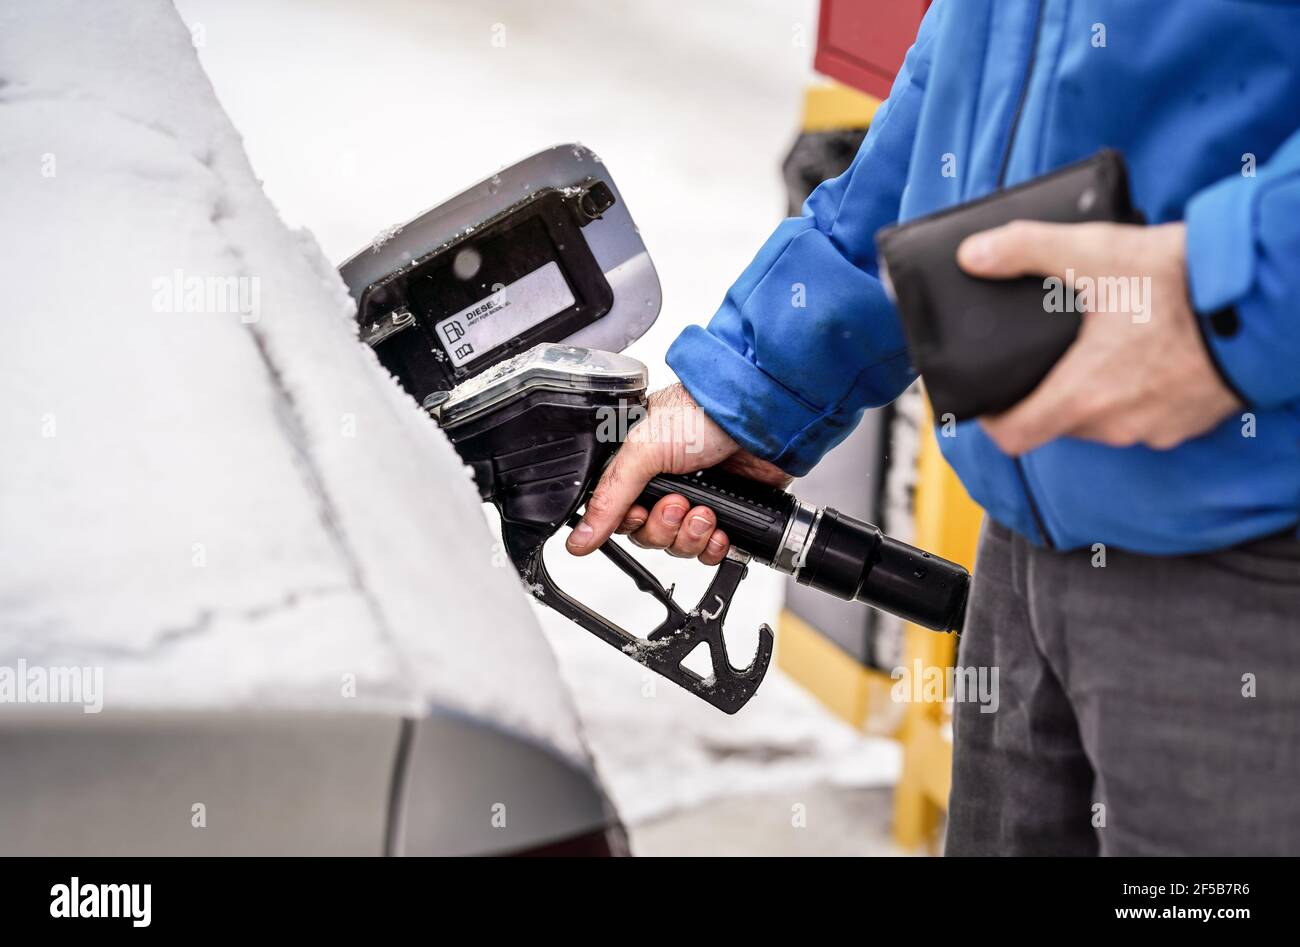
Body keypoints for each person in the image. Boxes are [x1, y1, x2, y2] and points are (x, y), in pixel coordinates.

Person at [564, 0, 1300, 855]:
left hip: (1258, 551)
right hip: (1024, 553)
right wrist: (761, 379)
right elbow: (969, 64)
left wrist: (1231, 289)